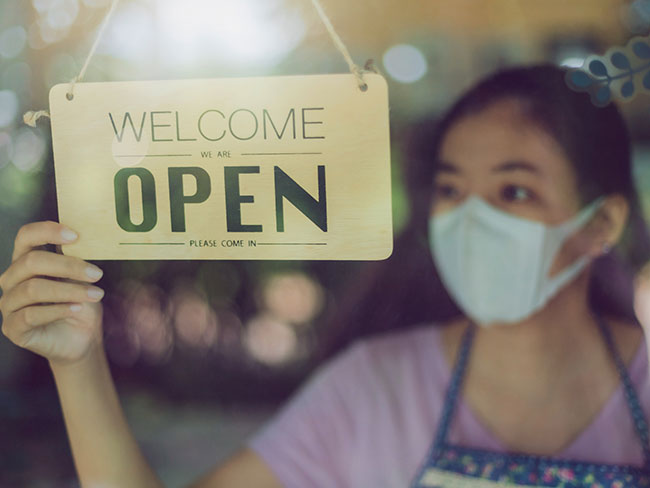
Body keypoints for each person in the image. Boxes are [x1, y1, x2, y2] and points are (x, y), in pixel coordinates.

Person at [1, 63, 649, 487]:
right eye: (452, 190)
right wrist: (77, 363)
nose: (470, 220)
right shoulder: (371, 390)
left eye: (513, 193)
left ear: (601, 224)